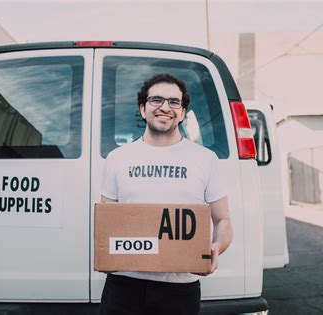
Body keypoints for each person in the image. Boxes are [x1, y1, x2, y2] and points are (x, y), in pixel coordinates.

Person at [99, 73, 233, 315]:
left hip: (180, 289)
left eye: (174, 102)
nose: (165, 107)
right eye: (156, 100)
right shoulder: (117, 159)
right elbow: (107, 222)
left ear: (182, 112)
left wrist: (215, 247)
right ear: (143, 108)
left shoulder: (205, 159)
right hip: (124, 286)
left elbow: (222, 220)